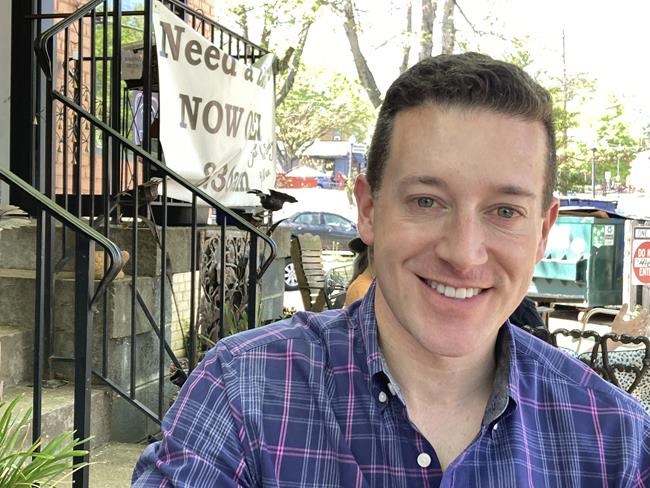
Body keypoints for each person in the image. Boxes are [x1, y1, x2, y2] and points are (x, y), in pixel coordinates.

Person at [133, 53, 650, 486]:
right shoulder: (242, 394)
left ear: (542, 231)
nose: (463, 253)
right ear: (368, 209)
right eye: (426, 201)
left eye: (504, 211)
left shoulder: (617, 444)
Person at [345, 236, 545, 328]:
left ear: (542, 236)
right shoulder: (364, 289)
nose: (463, 258)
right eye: (425, 202)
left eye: (506, 212)